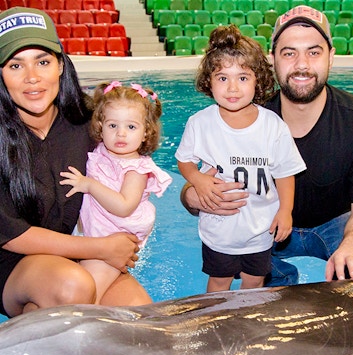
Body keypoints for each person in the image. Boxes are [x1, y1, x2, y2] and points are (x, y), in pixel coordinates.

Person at [180, 5, 353, 285]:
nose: (302, 65)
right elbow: (196, 178)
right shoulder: (243, 113)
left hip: (335, 227)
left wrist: (351, 247)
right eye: (289, 53)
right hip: (265, 229)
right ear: (272, 60)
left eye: (314, 52)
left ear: (331, 58)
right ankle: (279, 277)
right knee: (237, 269)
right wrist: (198, 197)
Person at [0, 7, 151, 318]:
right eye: (16, 65)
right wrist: (103, 249)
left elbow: (136, 151)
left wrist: (198, 184)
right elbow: (12, 234)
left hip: (70, 255)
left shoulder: (88, 121)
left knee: (140, 318)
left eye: (43, 62)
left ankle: (38, 317)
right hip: (10, 266)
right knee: (72, 286)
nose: (32, 78)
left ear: (60, 65)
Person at [175, 25, 306, 292]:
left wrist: (285, 210)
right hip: (219, 230)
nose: (232, 88)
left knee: (254, 281)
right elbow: (184, 161)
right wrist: (197, 179)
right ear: (208, 81)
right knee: (219, 281)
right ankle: (212, 320)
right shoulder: (200, 123)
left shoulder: (273, 125)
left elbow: (284, 172)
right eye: (222, 78)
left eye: (243, 78)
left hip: (259, 230)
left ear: (258, 80)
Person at [60, 81, 172, 303]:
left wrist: (89, 185)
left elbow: (124, 206)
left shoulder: (136, 169)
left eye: (131, 127)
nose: (121, 134)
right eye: (113, 126)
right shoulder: (102, 151)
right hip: (91, 234)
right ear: (100, 126)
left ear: (146, 132)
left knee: (87, 298)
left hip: (113, 239)